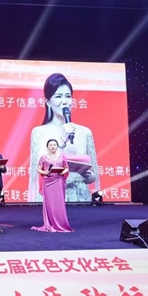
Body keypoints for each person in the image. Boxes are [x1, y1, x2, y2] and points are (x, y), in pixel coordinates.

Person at [28, 73, 100, 202]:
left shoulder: (85, 132)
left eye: (68, 96)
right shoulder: (39, 132)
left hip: (80, 198)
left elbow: (92, 178)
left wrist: (87, 175)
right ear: (48, 102)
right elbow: (40, 170)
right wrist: (62, 140)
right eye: (58, 96)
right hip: (52, 196)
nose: (64, 101)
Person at [31, 139, 73, 233]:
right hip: (48, 182)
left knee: (59, 203)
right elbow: (38, 169)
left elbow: (67, 168)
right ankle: (49, 224)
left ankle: (61, 223)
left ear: (57, 146)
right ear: (47, 147)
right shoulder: (44, 157)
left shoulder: (62, 156)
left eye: (54, 145)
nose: (53, 146)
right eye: (51, 145)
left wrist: (63, 172)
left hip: (59, 180)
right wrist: (45, 172)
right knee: (49, 203)